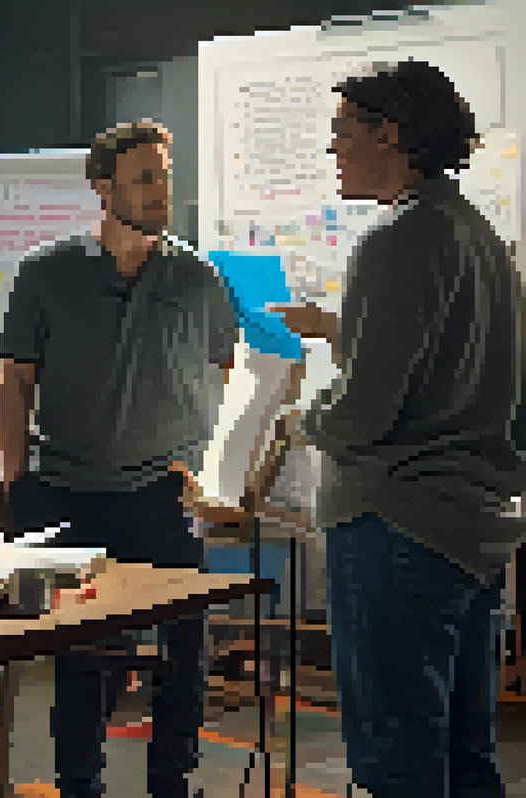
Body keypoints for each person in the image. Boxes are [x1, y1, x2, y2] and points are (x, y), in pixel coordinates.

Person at [269, 59, 524, 798]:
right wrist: (338, 329)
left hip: (396, 528)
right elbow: (448, 368)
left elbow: (365, 414)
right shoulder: (473, 232)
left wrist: (298, 422)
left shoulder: (396, 236)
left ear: (392, 133)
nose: (333, 150)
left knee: (397, 763)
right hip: (468, 531)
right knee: (464, 754)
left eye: (343, 133)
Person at [0, 121, 238, 798]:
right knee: (84, 661)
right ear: (103, 189)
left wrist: (211, 471)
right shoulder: (45, 274)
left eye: (164, 175)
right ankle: (80, 784)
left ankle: (172, 784)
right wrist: (14, 479)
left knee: (185, 652)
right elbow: (15, 379)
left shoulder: (196, 277)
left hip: (164, 496)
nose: (162, 191)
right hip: (69, 491)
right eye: (145, 178)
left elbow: (225, 369)